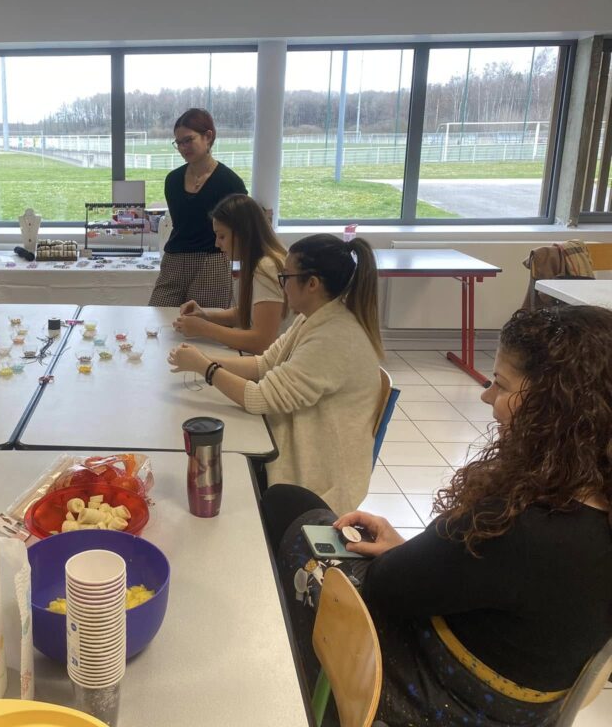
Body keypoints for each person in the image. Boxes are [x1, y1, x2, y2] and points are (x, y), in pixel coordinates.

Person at [262, 305, 612, 726]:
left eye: (500, 385)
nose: (486, 397)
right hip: (525, 709)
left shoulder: (516, 522)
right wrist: (407, 548)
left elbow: (388, 588)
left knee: (290, 508)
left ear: (554, 406)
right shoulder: (590, 509)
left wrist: (406, 555)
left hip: (438, 701)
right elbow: (497, 586)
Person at [168, 234, 382, 513]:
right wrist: (200, 360)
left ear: (312, 284)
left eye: (286, 278)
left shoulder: (334, 337)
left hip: (320, 479)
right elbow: (264, 364)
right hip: (303, 443)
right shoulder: (312, 318)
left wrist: (206, 368)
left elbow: (260, 399)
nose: (283, 286)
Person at [148, 108, 248, 309]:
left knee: (203, 324)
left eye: (188, 140)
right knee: (157, 317)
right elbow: (181, 224)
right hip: (174, 260)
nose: (183, 147)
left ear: (208, 136)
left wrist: (237, 263)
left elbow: (241, 229)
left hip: (212, 261)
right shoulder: (173, 180)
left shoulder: (230, 182)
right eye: (178, 143)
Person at [173, 193, 288, 354]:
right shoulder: (258, 263)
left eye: (222, 236)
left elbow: (262, 342)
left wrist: (204, 328)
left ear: (243, 233)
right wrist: (205, 316)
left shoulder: (267, 267)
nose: (217, 244)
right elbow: (250, 312)